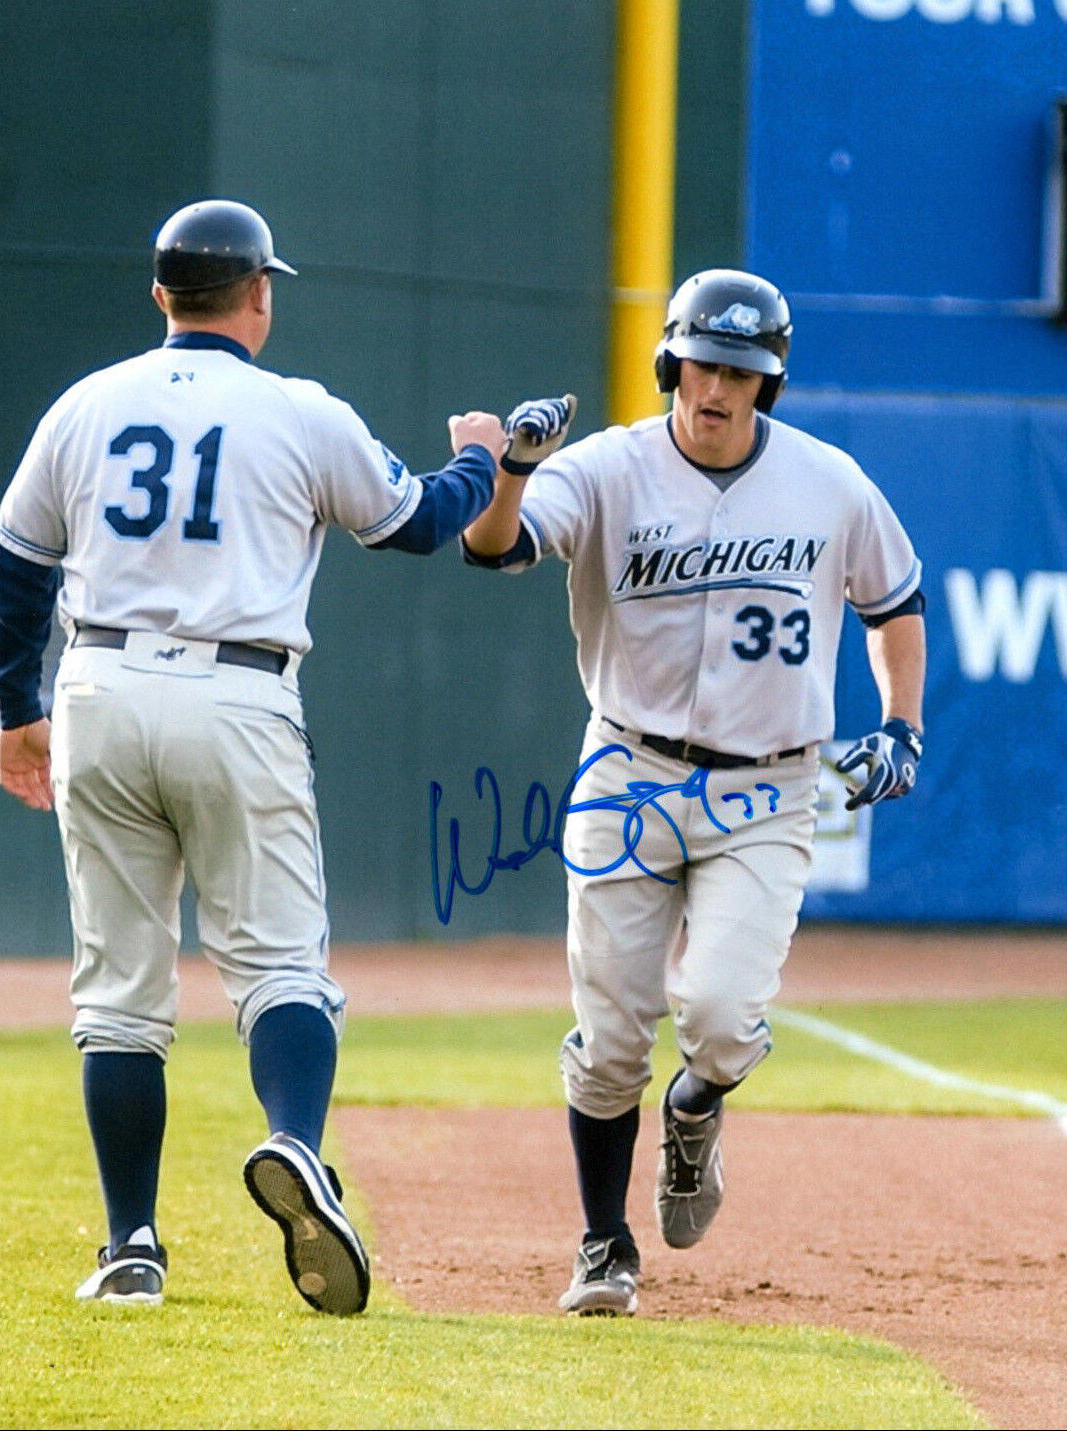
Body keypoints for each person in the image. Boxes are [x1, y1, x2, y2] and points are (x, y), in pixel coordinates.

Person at [0, 198, 517, 1315]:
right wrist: (481, 459)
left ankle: (131, 1246)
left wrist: (14, 708)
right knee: (279, 967)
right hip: (236, 690)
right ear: (260, 294)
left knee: (121, 996)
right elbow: (417, 523)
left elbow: (16, 567)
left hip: (99, 688)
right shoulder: (298, 412)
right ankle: (295, 1146)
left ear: (160, 292)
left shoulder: (87, 404)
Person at [461, 268, 926, 1316]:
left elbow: (895, 602)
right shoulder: (608, 467)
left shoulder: (828, 482)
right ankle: (600, 1243)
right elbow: (493, 551)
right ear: (670, 361)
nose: (718, 389)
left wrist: (902, 723)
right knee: (612, 1030)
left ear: (770, 383)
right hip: (627, 765)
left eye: (743, 372)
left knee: (717, 1021)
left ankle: (695, 1109)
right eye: (704, 365)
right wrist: (513, 474)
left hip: (767, 785)